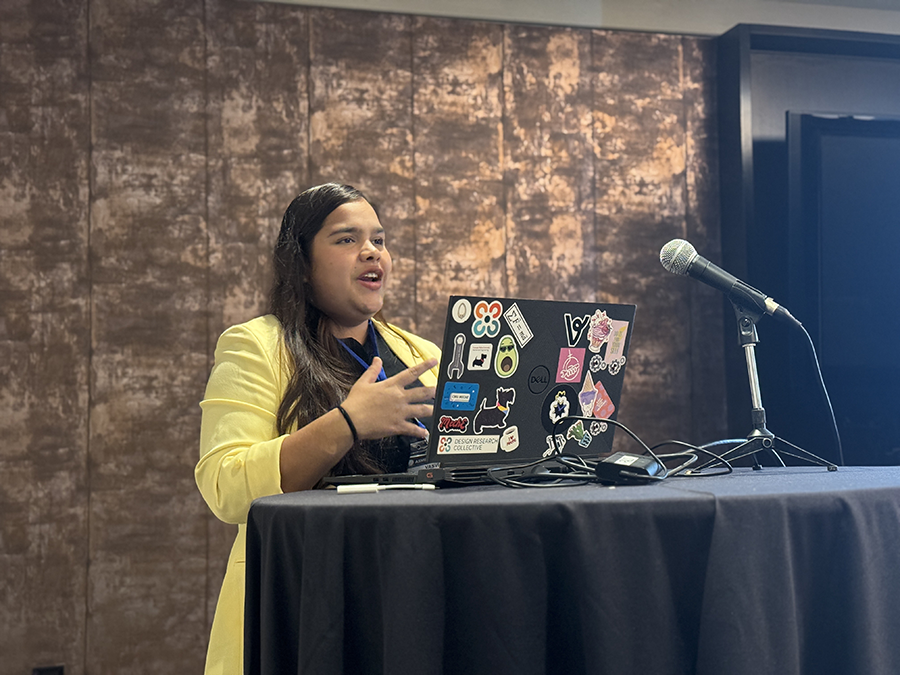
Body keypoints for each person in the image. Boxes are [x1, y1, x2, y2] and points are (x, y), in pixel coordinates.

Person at [195, 183, 441, 675]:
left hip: (409, 596)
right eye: (347, 239)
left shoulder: (424, 357)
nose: (372, 251)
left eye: (379, 239)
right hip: (304, 598)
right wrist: (348, 422)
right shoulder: (255, 346)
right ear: (302, 266)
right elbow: (224, 485)